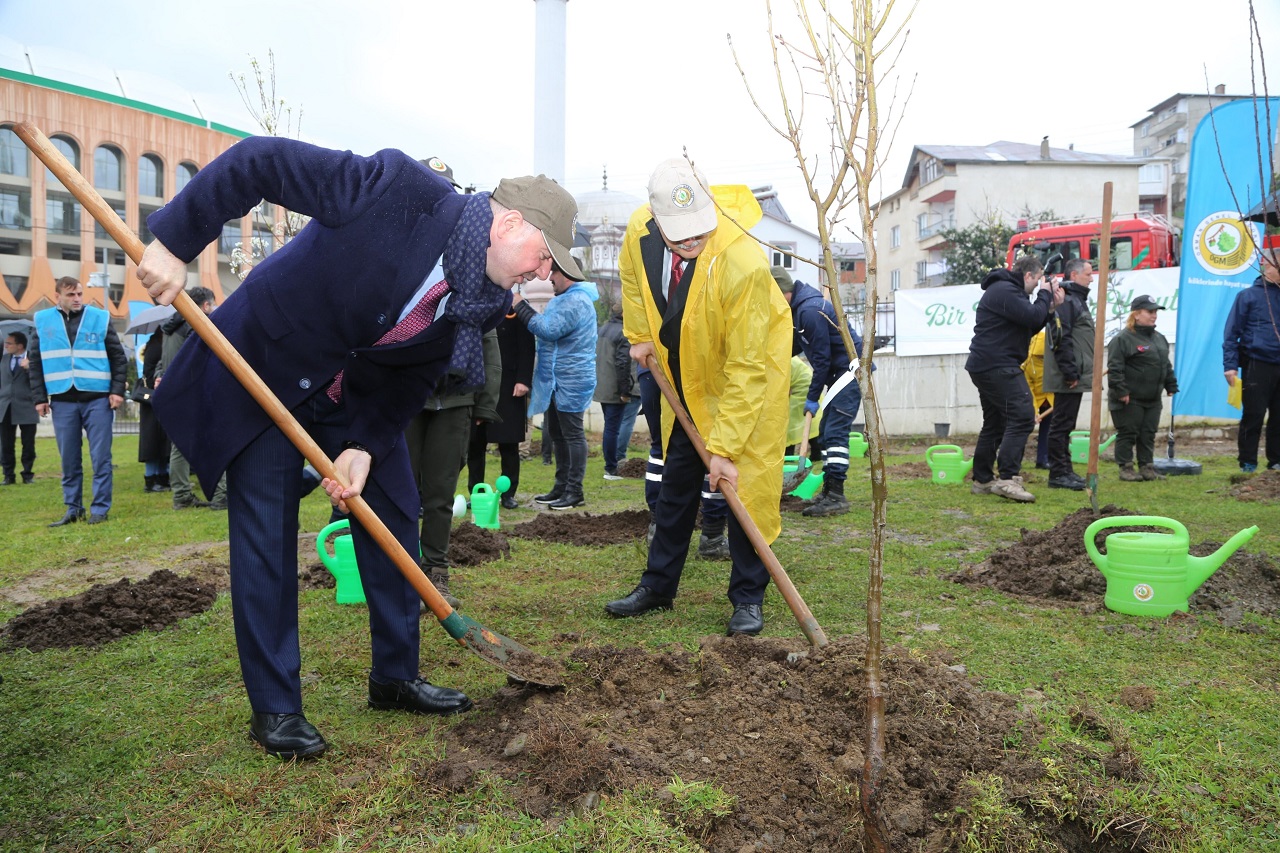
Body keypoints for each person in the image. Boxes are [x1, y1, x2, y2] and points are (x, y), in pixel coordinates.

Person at [139, 136, 581, 760]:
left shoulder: (480, 301)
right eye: (544, 256)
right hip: (269, 364)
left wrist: (367, 445)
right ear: (510, 223)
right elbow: (259, 161)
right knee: (266, 531)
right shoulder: (395, 189)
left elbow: (416, 375)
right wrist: (174, 242)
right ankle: (276, 709)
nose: (544, 273)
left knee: (396, 515)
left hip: (354, 400)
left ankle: (395, 676)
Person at [605, 157, 791, 636]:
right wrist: (640, 333)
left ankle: (747, 598)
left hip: (747, 380)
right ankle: (658, 586)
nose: (690, 242)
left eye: (697, 232)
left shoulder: (742, 260)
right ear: (656, 217)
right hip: (686, 378)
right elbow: (630, 277)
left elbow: (748, 366)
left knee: (745, 490)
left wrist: (726, 448)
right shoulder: (639, 229)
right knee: (676, 485)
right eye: (679, 234)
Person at [406, 326, 501, 608]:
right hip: (408, 397)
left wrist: (485, 405)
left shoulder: (477, 293)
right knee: (402, 492)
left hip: (456, 400)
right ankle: (404, 572)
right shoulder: (411, 285)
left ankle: (436, 574)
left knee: (441, 494)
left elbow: (489, 349)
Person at [28, 276, 128, 525]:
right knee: (69, 459)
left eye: (80, 294)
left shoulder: (99, 317)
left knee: (101, 458)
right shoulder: (42, 321)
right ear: (57, 296)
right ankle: (73, 508)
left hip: (98, 399)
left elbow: (118, 357)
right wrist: (40, 398)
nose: (77, 299)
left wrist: (117, 391)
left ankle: (100, 510)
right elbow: (35, 363)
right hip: (62, 400)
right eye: (71, 295)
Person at [965, 256, 1062, 503]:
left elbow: (1029, 325)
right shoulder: (1005, 290)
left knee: (995, 422)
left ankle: (983, 479)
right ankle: (1008, 479)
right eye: (1039, 278)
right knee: (1021, 416)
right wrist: (1045, 295)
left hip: (988, 364)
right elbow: (1031, 317)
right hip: (997, 365)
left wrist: (1049, 308)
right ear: (1028, 275)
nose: (1040, 283)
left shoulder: (1008, 291)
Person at [773, 266, 865, 517]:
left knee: (834, 433)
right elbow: (793, 347)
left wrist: (812, 398)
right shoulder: (800, 309)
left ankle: (836, 496)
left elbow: (822, 360)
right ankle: (829, 491)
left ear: (783, 292)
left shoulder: (810, 311)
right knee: (826, 433)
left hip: (849, 373)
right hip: (838, 374)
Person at [511, 267, 599, 510]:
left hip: (571, 380)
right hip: (558, 380)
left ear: (568, 274)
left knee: (572, 435)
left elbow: (549, 329)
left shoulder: (575, 301)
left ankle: (574, 491)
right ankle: (561, 487)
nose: (550, 279)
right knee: (558, 434)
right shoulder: (567, 299)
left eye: (554, 274)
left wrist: (520, 305)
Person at [157, 287, 225, 510]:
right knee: (216, 439)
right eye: (213, 305)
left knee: (179, 445)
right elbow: (199, 359)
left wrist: (160, 376)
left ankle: (181, 495)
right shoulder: (195, 324)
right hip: (195, 390)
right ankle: (221, 495)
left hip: (174, 390)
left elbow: (163, 360)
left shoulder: (170, 326)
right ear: (205, 305)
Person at [467, 311, 536, 510]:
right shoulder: (477, 306)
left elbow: (527, 346)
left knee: (509, 445)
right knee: (475, 445)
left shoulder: (514, 308)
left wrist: (523, 379)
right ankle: (477, 493)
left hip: (509, 386)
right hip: (479, 385)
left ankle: (508, 494)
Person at [1108, 295, 1178, 481]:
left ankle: (1147, 467)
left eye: (1155, 312)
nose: (1154, 315)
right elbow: (1115, 368)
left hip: (1152, 398)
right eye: (1150, 311)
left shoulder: (1159, 338)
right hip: (1130, 398)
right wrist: (1121, 391)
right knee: (1128, 432)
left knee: (1148, 433)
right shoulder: (1123, 339)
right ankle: (1126, 467)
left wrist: (1170, 384)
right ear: (1137, 314)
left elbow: (1165, 365)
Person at [1223, 249, 1280, 473]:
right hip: (1257, 362)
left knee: (1279, 416)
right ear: (1267, 265)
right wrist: (1230, 366)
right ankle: (1248, 461)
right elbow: (1231, 333)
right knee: (1253, 415)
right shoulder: (1248, 296)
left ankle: (1276, 460)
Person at [1042, 259, 1095, 490]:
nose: (1091, 279)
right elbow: (1061, 338)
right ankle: (1058, 474)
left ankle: (1065, 470)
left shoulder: (1076, 299)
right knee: (1061, 424)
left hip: (1074, 372)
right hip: (1068, 374)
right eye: (1088, 274)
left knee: (1066, 424)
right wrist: (1070, 372)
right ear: (1074, 274)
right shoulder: (1066, 300)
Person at [595, 307, 638, 480]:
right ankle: (612, 468)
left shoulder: (603, 328)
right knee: (613, 429)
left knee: (609, 428)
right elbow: (622, 363)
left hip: (603, 386)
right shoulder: (623, 332)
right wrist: (624, 390)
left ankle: (610, 465)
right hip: (614, 388)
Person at [0, 331, 38, 485]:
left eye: (9, 343)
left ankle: (27, 474)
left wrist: (29, 368)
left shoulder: (33, 360)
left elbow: (39, 381)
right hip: (5, 407)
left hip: (26, 406)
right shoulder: (3, 359)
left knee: (28, 444)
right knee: (6, 444)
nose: (6, 345)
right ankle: (8, 475)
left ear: (20, 346)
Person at [137, 329, 171, 492]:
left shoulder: (154, 343)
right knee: (154, 441)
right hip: (152, 398)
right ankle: (152, 480)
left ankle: (160, 477)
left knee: (158, 440)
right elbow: (151, 373)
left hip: (153, 399)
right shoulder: (158, 346)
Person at [1021, 330, 1054, 470]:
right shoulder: (1027, 364)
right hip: (1035, 398)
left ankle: (1043, 459)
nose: (1042, 359)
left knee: (1050, 430)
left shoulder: (1056, 359)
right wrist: (1033, 410)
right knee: (1022, 428)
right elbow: (1028, 388)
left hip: (1053, 398)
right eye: (1039, 357)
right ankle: (1013, 460)